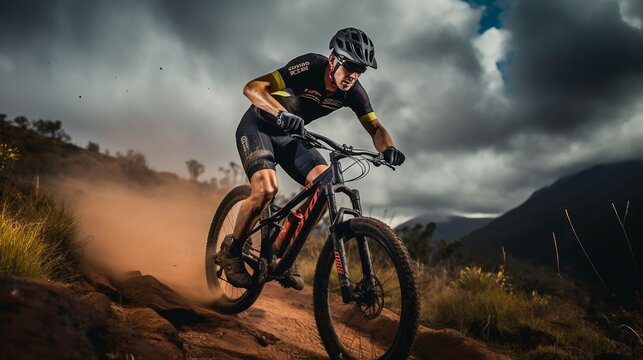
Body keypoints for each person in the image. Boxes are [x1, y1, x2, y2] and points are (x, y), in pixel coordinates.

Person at [222, 27, 406, 290]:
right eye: (350, 65)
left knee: (325, 187)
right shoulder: (309, 65)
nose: (354, 74)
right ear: (333, 60)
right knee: (266, 190)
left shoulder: (353, 93)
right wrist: (280, 113)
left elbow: (376, 128)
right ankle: (232, 250)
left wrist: (388, 148)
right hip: (259, 128)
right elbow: (252, 88)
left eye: (361, 69)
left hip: (292, 136)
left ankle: (282, 249)